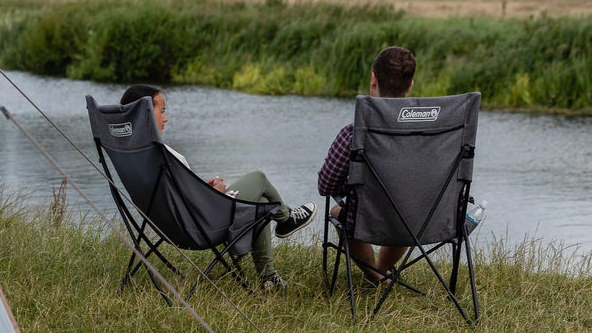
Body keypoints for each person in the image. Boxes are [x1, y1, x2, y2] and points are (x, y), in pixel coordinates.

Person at [120, 84, 317, 291]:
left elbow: (177, 193)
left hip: (167, 225)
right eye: (162, 111)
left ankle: (268, 278)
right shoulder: (161, 151)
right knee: (258, 178)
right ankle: (286, 219)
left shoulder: (132, 152)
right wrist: (217, 193)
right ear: (144, 113)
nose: (166, 118)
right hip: (202, 225)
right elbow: (189, 200)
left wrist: (203, 187)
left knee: (261, 203)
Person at [317, 46, 416, 286]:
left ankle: (375, 273)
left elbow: (325, 185)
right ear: (410, 85)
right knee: (409, 205)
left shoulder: (353, 134)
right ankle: (382, 272)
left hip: (367, 220)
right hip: (421, 219)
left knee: (338, 212)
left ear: (373, 79)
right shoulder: (434, 135)